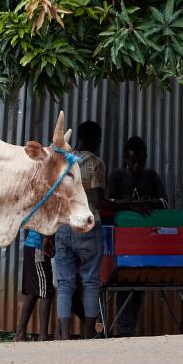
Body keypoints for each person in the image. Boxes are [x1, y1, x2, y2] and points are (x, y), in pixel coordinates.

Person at [108, 135, 167, 336]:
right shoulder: (117, 176)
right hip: (123, 240)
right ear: (125, 157)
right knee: (123, 281)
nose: (136, 165)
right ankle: (124, 328)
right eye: (132, 161)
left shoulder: (151, 176)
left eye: (140, 161)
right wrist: (133, 205)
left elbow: (164, 203)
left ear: (146, 158)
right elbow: (109, 203)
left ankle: (129, 329)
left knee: (139, 280)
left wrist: (147, 203)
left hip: (145, 240)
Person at [54, 120, 107, 340]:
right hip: (88, 223)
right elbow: (99, 200)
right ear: (95, 139)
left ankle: (65, 336)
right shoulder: (96, 163)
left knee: (65, 283)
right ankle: (87, 335)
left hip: (64, 226)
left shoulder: (62, 161)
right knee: (90, 280)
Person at [14, 229, 54, 341]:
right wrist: (47, 238)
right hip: (39, 246)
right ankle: (43, 336)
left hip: (33, 245)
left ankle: (20, 334)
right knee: (46, 292)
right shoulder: (44, 210)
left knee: (33, 292)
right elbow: (45, 223)